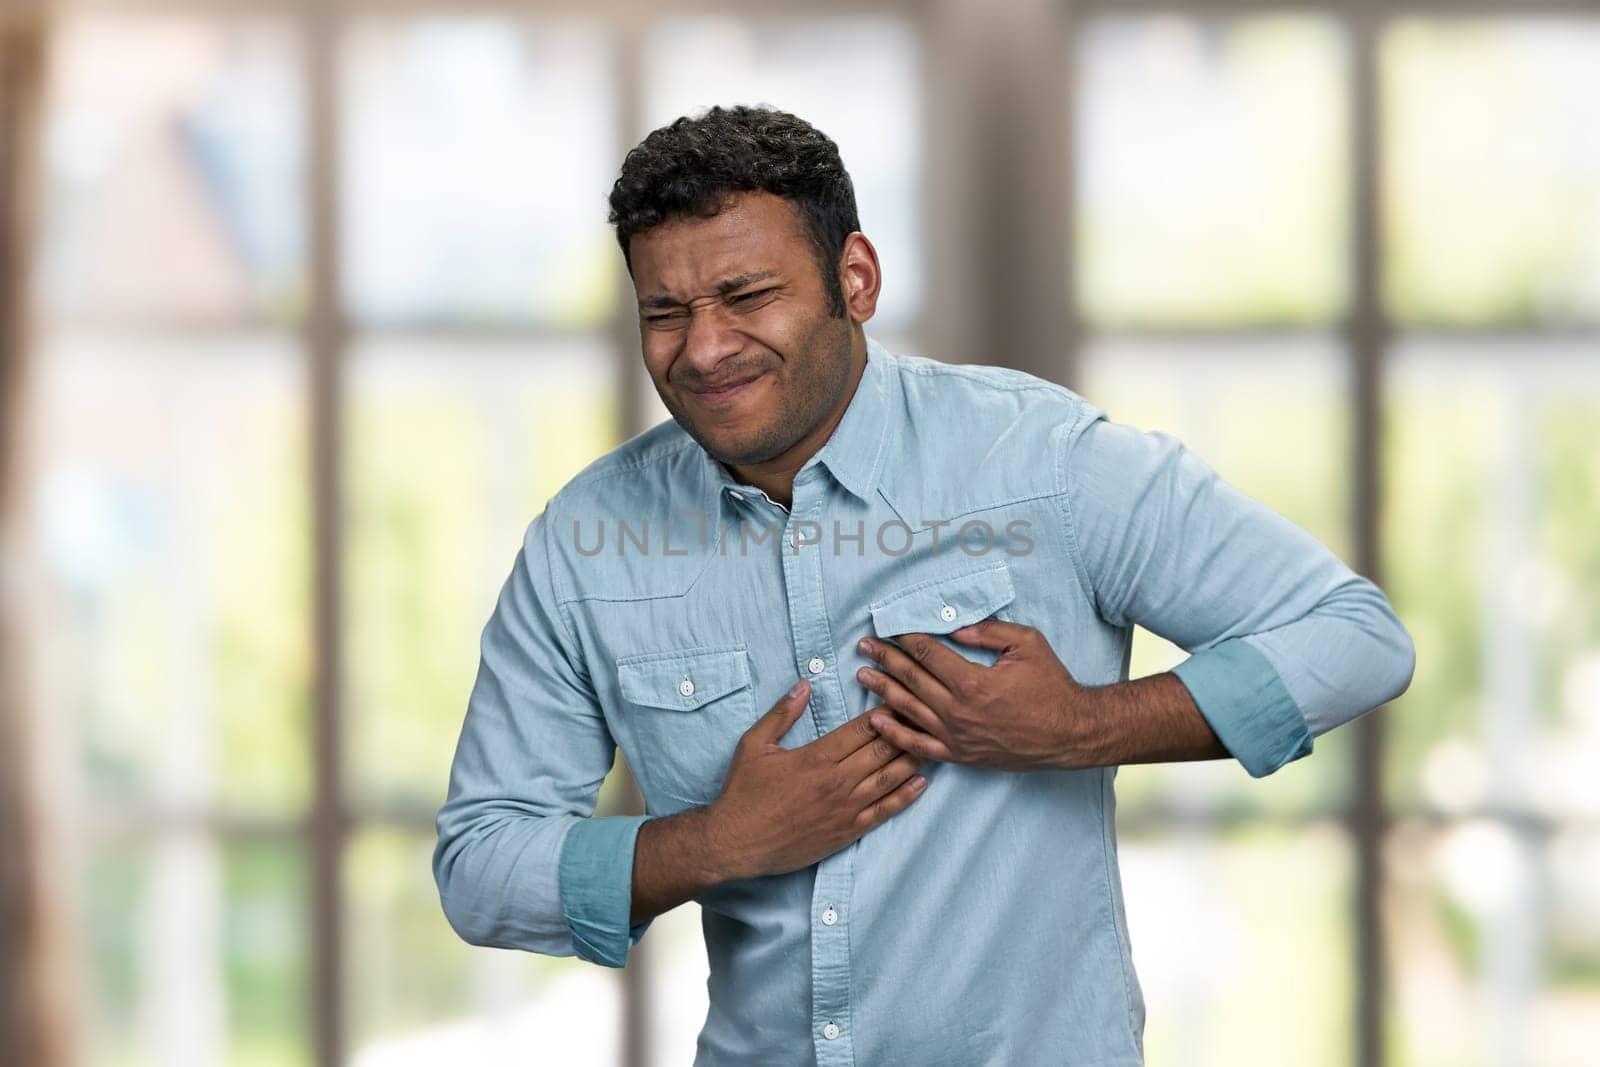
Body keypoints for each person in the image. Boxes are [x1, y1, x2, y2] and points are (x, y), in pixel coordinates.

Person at [433, 104, 1415, 1066]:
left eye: (745, 295)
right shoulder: (584, 543)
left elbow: (1352, 636)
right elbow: (480, 863)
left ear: (852, 279)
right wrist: (713, 842)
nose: (703, 348)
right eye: (665, 311)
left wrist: (1081, 726)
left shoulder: (1043, 463)